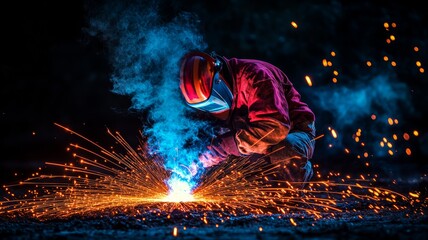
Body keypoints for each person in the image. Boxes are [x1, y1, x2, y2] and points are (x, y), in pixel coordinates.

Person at [179, 51, 316, 187]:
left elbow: (275, 129)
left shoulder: (257, 76)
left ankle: (296, 186)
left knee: (285, 149)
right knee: (225, 165)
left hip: (293, 131)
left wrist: (225, 146)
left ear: (219, 80)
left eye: (213, 102)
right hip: (249, 135)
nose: (213, 109)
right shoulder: (215, 93)